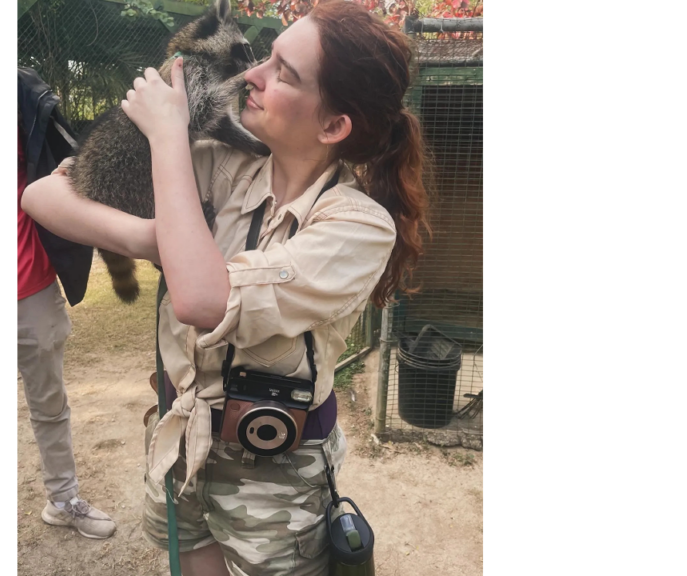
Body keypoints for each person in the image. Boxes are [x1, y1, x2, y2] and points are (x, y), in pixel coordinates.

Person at [23, 1, 428, 572]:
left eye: (283, 73)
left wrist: (168, 138)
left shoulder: (356, 225)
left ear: (334, 125)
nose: (251, 75)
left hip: (274, 477)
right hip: (182, 443)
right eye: (266, 58)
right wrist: (153, 238)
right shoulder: (221, 163)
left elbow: (200, 300)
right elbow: (41, 196)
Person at [17, 67, 116, 540]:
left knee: (49, 403)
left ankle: (63, 499)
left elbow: (58, 160)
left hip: (31, 284)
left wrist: (68, 172)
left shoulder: (25, 92)